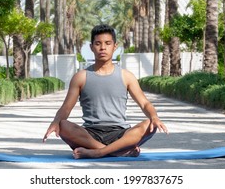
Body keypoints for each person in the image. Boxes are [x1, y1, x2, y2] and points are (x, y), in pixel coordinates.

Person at [43, 24, 168, 159]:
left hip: (120, 134)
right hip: (90, 135)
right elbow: (66, 108)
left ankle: (98, 152)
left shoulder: (126, 76)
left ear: (115, 46)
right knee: (63, 125)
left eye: (108, 43)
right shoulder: (80, 77)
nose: (103, 47)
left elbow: (144, 104)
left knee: (150, 124)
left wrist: (154, 117)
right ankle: (117, 151)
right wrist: (56, 122)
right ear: (91, 47)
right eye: (98, 43)